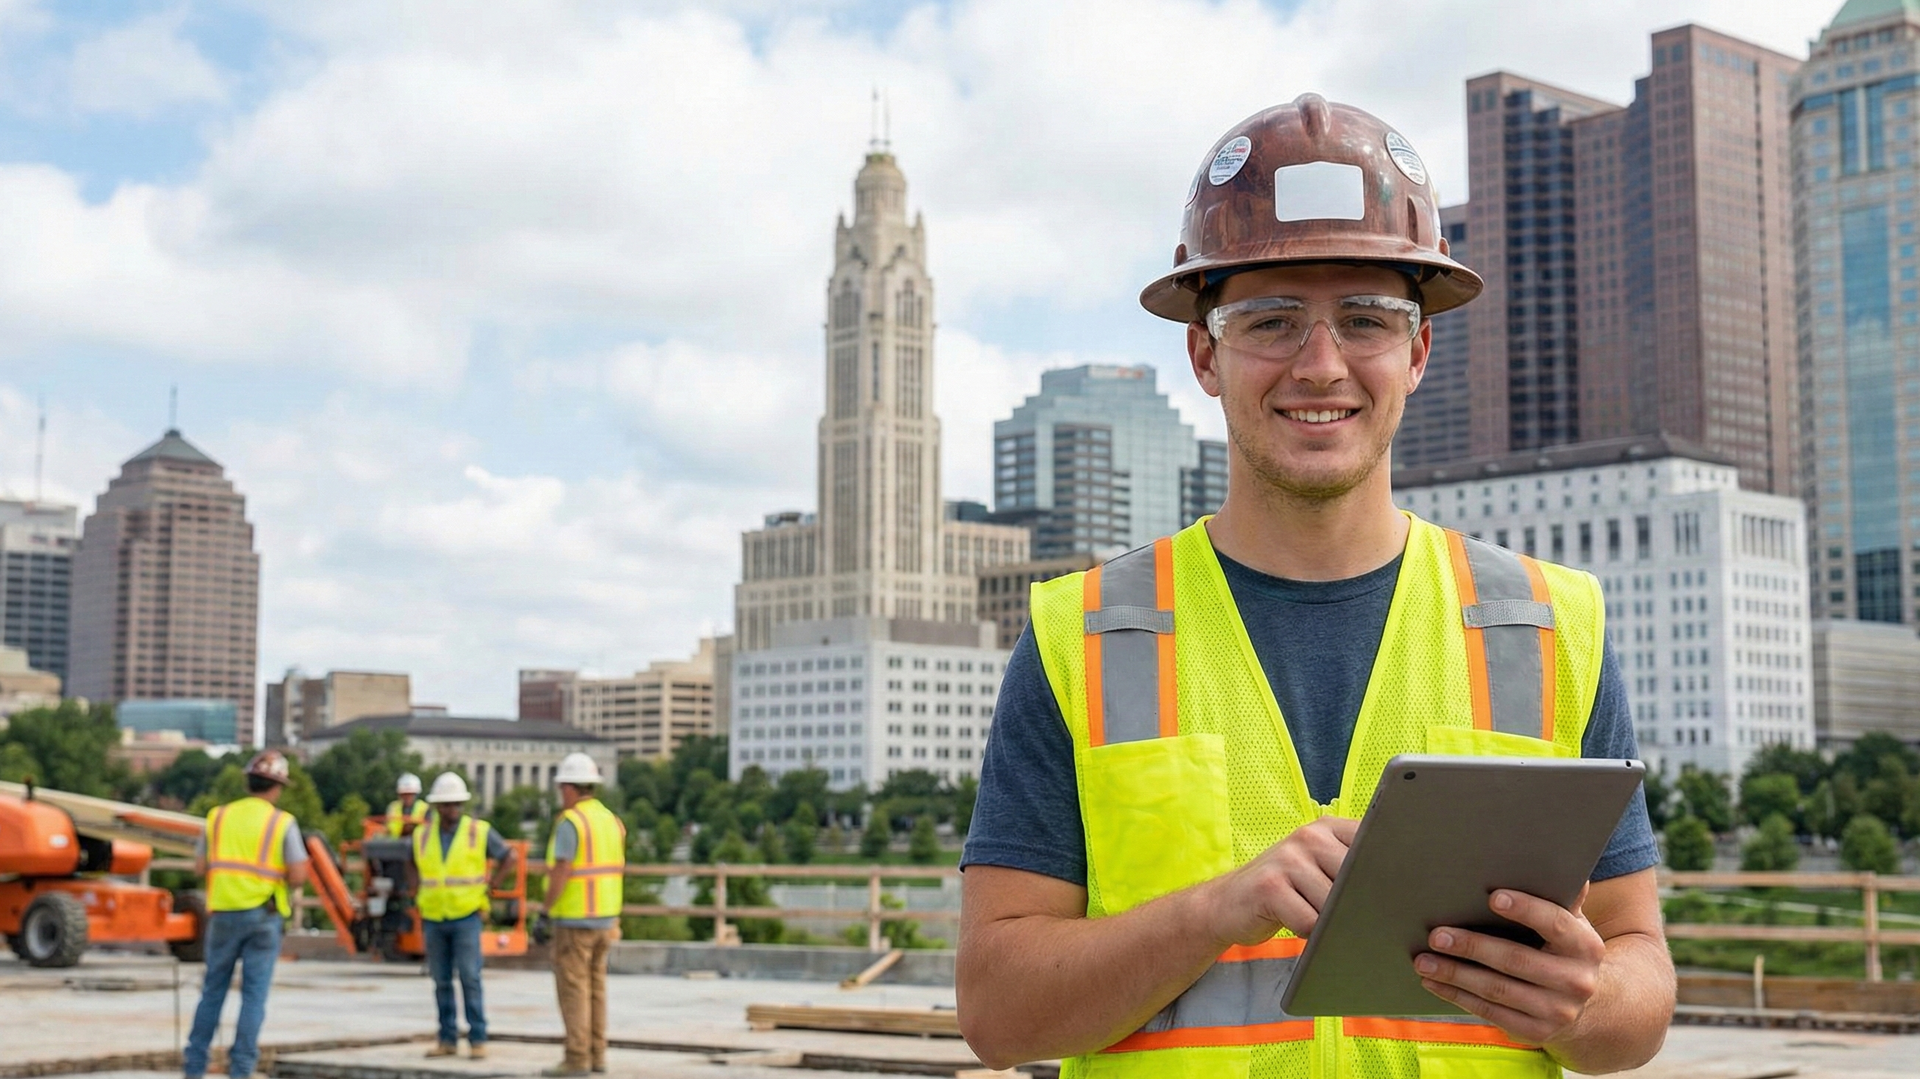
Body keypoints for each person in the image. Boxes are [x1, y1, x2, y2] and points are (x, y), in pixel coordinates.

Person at [955, 94, 1674, 1079]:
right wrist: (1221, 908)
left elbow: (1639, 978)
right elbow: (999, 1009)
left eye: (1367, 319)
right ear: (1205, 352)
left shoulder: (1545, 626)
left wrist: (1585, 1000)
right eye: (1272, 320)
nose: (1321, 363)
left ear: (1418, 351)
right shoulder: (1085, 635)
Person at [184, 751, 311, 1079]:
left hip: (223, 915)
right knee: (254, 996)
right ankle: (241, 1071)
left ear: (248, 781)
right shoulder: (282, 822)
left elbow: (199, 867)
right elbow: (297, 876)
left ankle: (194, 1067)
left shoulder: (217, 817)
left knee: (212, 991)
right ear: (278, 787)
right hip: (263, 917)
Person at [414, 771, 516, 1060]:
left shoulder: (477, 831)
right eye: (446, 805)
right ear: (437, 807)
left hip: (466, 914)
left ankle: (477, 1038)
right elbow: (410, 861)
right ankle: (446, 1038)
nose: (451, 809)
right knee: (441, 980)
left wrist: (492, 887)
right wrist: (415, 892)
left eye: (455, 804)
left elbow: (509, 856)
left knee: (470, 977)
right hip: (434, 914)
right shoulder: (422, 835)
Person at [539, 753, 625, 1077]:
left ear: (570, 788)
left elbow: (563, 870)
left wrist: (544, 911)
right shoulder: (610, 820)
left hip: (576, 921)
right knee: (597, 988)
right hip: (606, 918)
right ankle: (597, 1055)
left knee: (574, 990)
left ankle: (577, 1058)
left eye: (562, 787)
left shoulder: (571, 822)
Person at [387, 772, 429, 837]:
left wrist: (413, 828)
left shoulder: (424, 807)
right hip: (397, 844)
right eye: (404, 794)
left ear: (415, 794)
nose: (407, 797)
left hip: (418, 843)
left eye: (410, 794)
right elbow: (390, 828)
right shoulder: (393, 807)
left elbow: (428, 828)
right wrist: (403, 829)